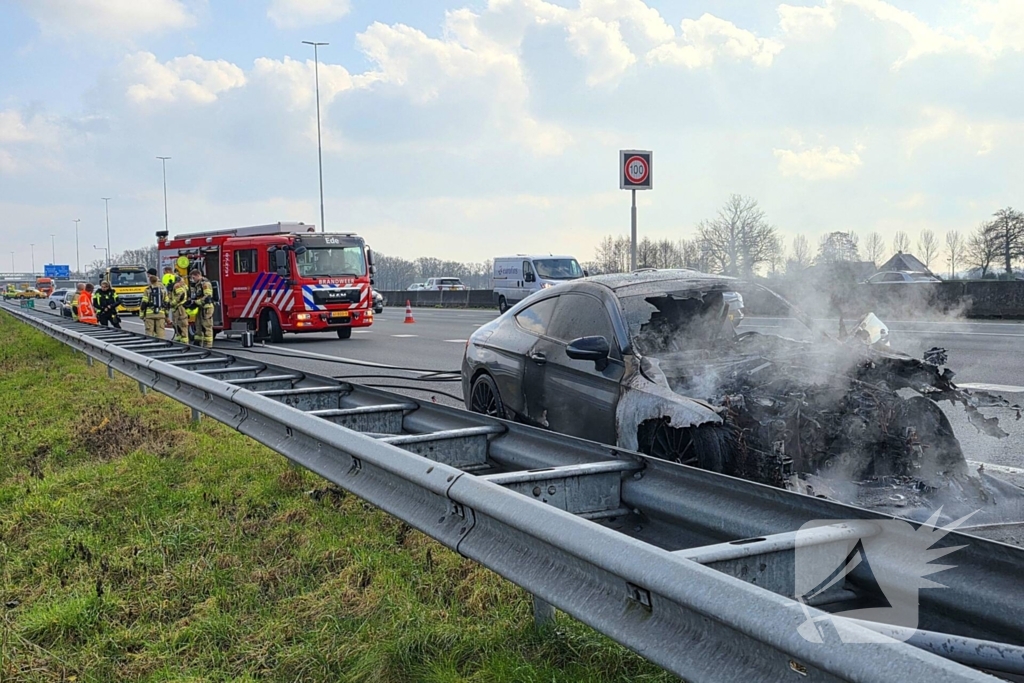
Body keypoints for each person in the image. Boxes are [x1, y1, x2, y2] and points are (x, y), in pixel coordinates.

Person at [188, 269, 215, 348]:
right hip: (201, 307)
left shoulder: (205, 283)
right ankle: (198, 342)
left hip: (207, 308)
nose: (193, 279)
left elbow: (207, 296)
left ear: (198, 275)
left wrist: (196, 302)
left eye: (194, 277)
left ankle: (208, 345)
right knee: (198, 325)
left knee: (206, 326)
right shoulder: (197, 284)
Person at [140, 270, 167, 338]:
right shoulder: (163, 288)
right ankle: (162, 347)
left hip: (150, 315)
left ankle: (151, 347)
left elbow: (143, 304)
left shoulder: (148, 289)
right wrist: (166, 315)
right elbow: (167, 303)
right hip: (161, 314)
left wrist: (142, 315)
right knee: (161, 333)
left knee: (149, 334)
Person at [168, 275, 190, 343]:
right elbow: (180, 296)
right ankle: (182, 341)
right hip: (179, 308)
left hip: (179, 308)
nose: (183, 281)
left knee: (181, 325)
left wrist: (171, 303)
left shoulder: (178, 285)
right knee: (180, 325)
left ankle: (184, 342)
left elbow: (180, 296)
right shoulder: (180, 285)